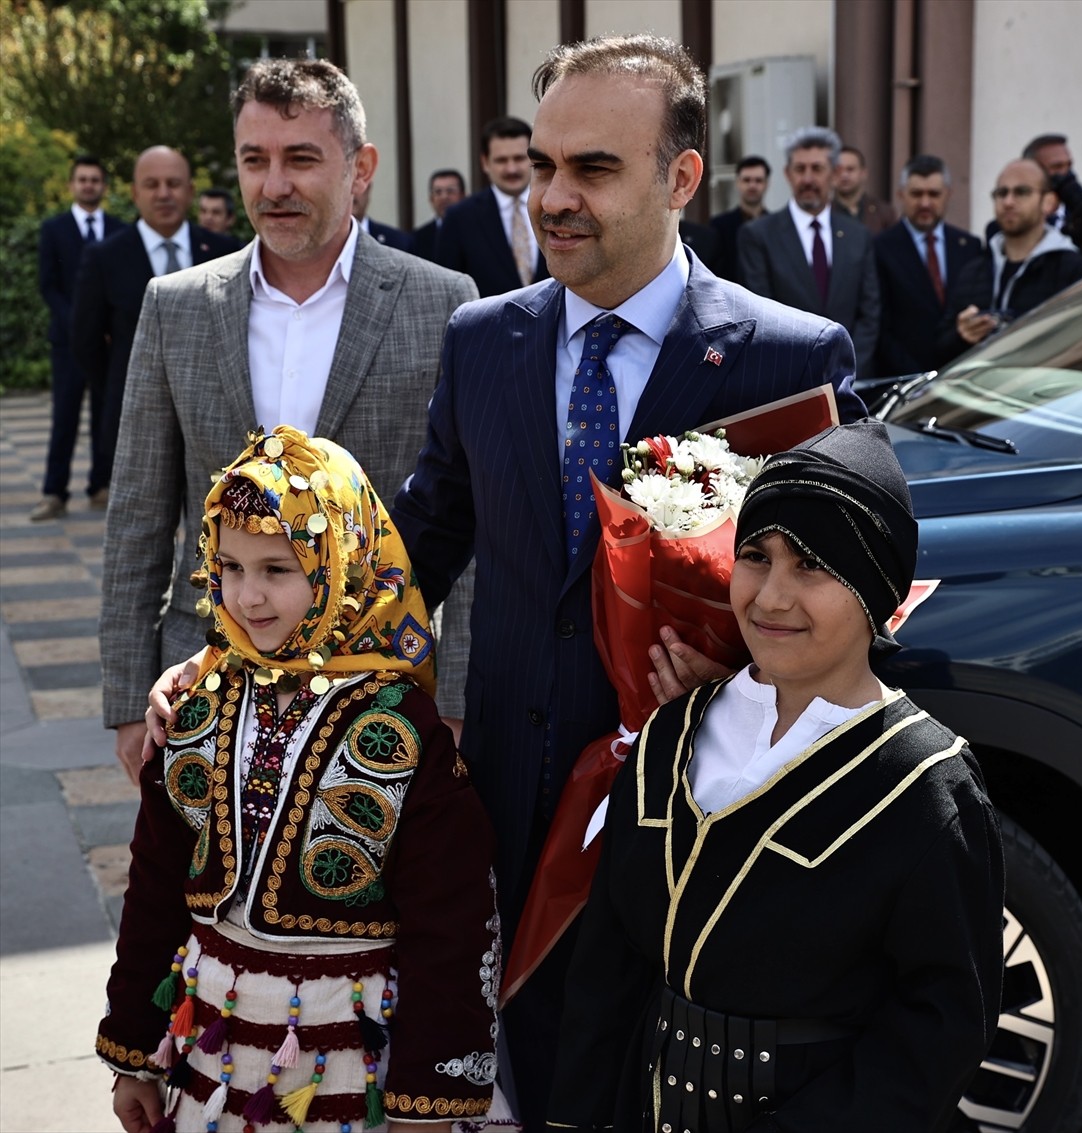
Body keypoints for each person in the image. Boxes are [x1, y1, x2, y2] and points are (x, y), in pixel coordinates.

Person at [389, 35, 866, 1131]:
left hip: (695, 828)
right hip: (505, 815)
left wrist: (753, 664)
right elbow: (420, 539)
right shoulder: (482, 343)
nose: (552, 196)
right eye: (543, 165)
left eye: (592, 169)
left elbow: (848, 603)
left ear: (681, 177)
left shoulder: (789, 360)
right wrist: (257, 662)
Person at [549, 419, 1005, 1132]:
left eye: (812, 565)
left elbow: (939, 1029)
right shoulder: (673, 733)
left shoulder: (925, 783)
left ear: (876, 587)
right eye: (757, 556)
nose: (770, 597)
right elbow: (605, 974)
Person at [99, 426, 498, 1133]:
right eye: (229, 565)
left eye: (277, 569)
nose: (248, 596)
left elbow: (451, 928)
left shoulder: (401, 725)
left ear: (340, 564)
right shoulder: (196, 705)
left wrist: (427, 1104)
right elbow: (155, 882)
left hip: (350, 1067)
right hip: (208, 1057)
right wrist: (134, 1049)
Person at [98, 59, 477, 786]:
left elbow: (475, 528)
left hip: (383, 684)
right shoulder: (175, 305)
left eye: (301, 158)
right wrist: (123, 697)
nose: (274, 185)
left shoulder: (442, 302)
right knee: (204, 896)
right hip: (204, 677)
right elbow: (138, 514)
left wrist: (454, 696)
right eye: (254, 160)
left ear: (360, 167)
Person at [71, 147, 240, 517]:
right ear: (135, 192)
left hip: (217, 427)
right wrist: (124, 384)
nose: (164, 193)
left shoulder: (227, 254)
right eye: (152, 184)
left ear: (190, 191)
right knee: (140, 531)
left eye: (173, 184)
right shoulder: (104, 258)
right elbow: (85, 343)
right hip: (136, 425)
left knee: (220, 538)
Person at [739, 127, 881, 377]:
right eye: (800, 169)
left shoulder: (858, 235)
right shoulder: (759, 235)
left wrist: (847, 367)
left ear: (835, 174)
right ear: (787, 174)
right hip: (786, 379)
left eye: (817, 169)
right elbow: (761, 314)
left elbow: (870, 312)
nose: (807, 179)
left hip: (849, 379)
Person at [32, 154, 126, 521]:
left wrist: (106, 327)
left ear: (103, 186)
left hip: (107, 344)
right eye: (82, 179)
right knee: (64, 416)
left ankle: (101, 486)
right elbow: (48, 286)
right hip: (68, 341)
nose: (88, 185)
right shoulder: (53, 230)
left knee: (107, 416)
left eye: (94, 180)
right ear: (72, 185)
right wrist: (80, 324)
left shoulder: (119, 229)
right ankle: (54, 492)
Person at [936, 158, 1082, 365]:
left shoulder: (1074, 270)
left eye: (1022, 192)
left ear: (1048, 202)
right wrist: (961, 337)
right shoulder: (974, 270)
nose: (1008, 202)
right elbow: (939, 351)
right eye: (1001, 193)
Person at [873, 154, 981, 376]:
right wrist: (916, 377)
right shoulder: (880, 248)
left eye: (933, 194)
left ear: (948, 195)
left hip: (960, 375)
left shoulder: (969, 246)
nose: (925, 203)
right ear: (901, 195)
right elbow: (879, 327)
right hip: (904, 379)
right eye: (916, 194)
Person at [435, 117, 548, 295]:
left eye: (519, 158)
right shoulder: (460, 218)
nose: (511, 169)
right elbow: (446, 289)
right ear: (485, 162)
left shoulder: (554, 206)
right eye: (501, 160)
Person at [708, 155, 770, 280]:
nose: (752, 185)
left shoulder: (777, 227)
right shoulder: (718, 226)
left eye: (758, 180)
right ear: (738, 183)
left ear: (766, 184)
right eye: (747, 180)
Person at [832, 144, 896, 235]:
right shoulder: (824, 212)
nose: (844, 175)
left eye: (850, 169)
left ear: (863, 173)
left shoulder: (883, 212)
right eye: (838, 170)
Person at [411, 168, 467, 260]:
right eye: (438, 192)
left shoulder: (476, 232)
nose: (444, 197)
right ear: (431, 199)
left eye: (450, 191)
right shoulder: (418, 238)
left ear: (463, 196)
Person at [351, 180, 413, 249]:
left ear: (369, 189)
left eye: (357, 185)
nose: (353, 192)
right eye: (348, 184)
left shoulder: (398, 242)